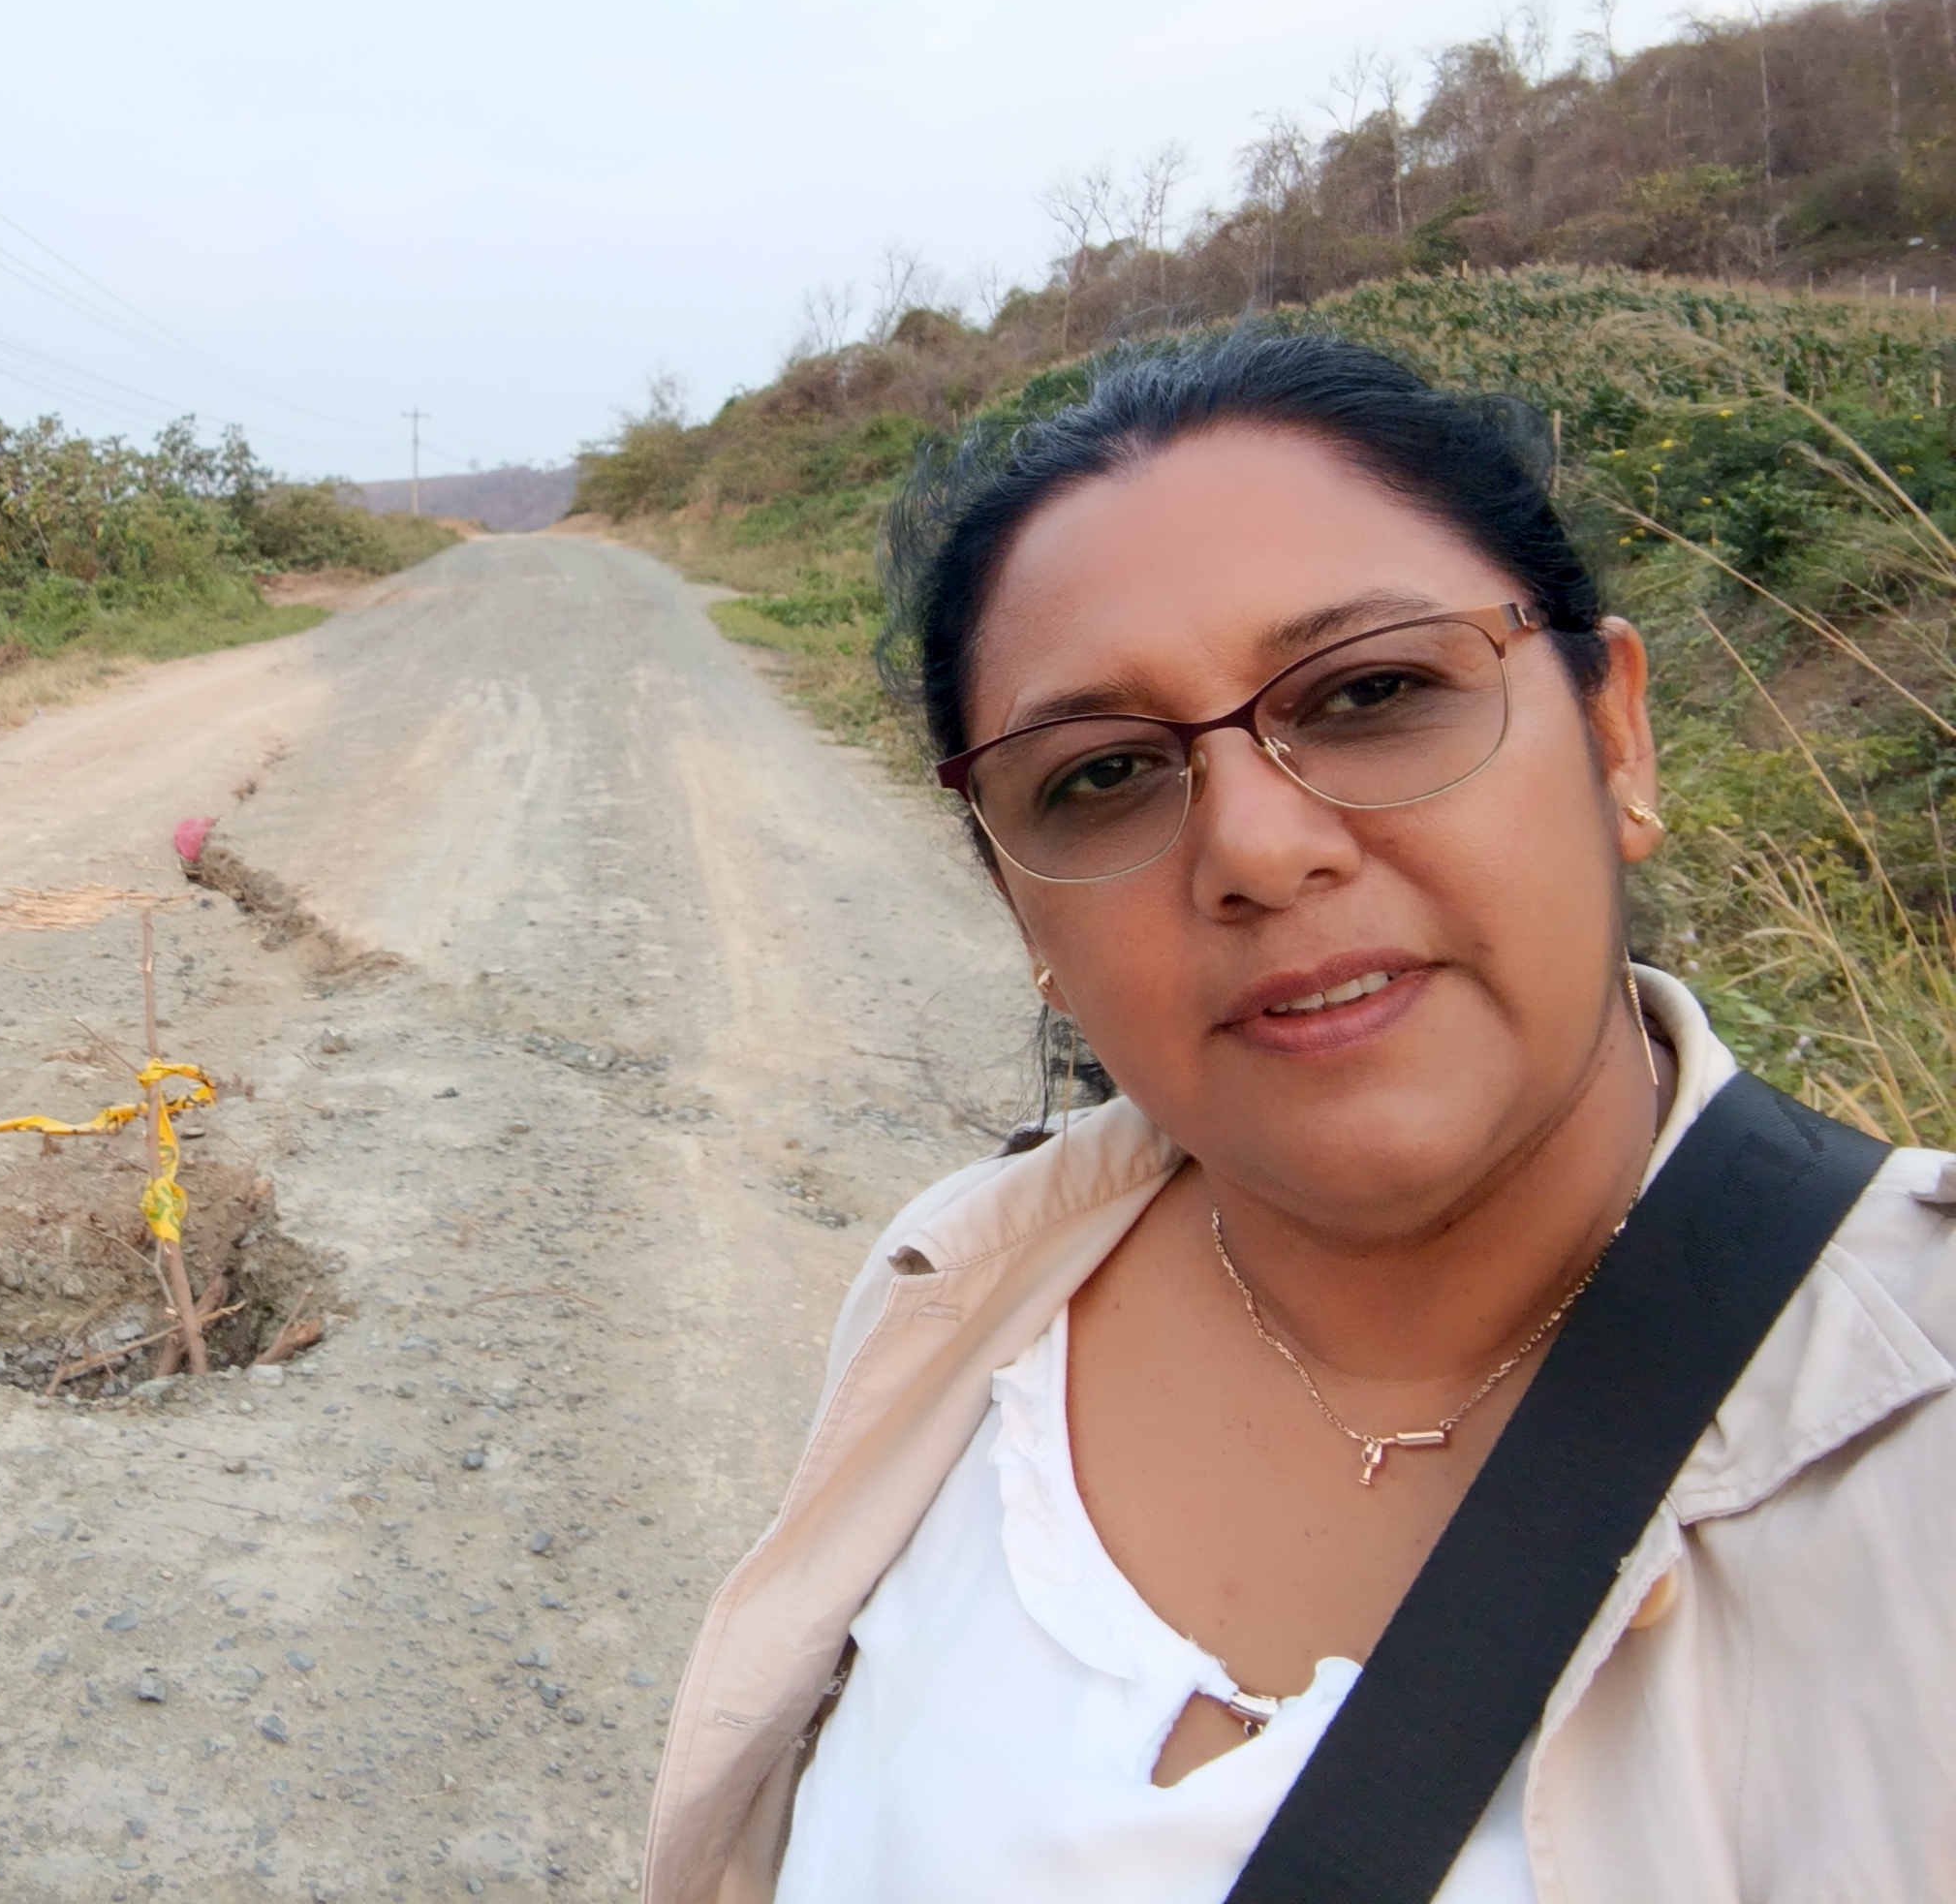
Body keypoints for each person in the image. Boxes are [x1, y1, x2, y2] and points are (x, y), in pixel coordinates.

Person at [642, 330, 1956, 1903]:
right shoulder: (965, 1302)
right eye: (1103, 775)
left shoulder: (1911, 1420)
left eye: (1374, 691)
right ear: (1023, 915)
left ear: (1615, 734)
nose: (1258, 851)